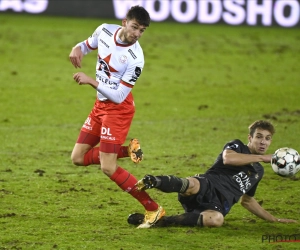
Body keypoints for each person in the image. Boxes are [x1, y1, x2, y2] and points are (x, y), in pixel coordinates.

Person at [68, 5, 165, 229]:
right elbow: (87, 44)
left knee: (108, 167)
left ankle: (153, 208)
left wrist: (91, 81)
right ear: (124, 22)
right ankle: (127, 150)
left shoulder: (136, 58)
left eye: (142, 31)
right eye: (134, 27)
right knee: (78, 158)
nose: (137, 34)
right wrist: (77, 48)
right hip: (100, 105)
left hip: (117, 110)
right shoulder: (104, 31)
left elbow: (120, 96)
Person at [128, 120, 297, 227]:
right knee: (193, 184)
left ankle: (161, 221)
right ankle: (153, 181)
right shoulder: (237, 146)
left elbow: (248, 201)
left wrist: (273, 219)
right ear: (250, 138)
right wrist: (261, 157)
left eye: (267, 138)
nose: (263, 141)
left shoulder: (258, 171)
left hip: (219, 204)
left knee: (216, 220)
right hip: (207, 185)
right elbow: (228, 159)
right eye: (259, 137)